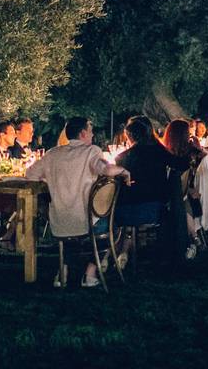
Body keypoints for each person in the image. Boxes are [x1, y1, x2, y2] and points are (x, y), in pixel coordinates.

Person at [26, 117, 131, 288]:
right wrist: (124, 171)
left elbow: (30, 174)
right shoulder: (91, 151)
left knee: (72, 233)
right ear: (83, 133)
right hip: (87, 221)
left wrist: (52, 180)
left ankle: (63, 272)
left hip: (59, 221)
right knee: (112, 224)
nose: (92, 134)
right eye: (90, 130)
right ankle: (90, 274)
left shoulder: (53, 154)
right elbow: (106, 169)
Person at [115, 116, 190, 263]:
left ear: (130, 136)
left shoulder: (122, 158)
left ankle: (120, 250)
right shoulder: (159, 151)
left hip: (123, 213)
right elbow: (181, 164)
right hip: (154, 209)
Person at [162, 119, 208, 258]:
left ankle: (193, 240)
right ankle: (194, 239)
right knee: (184, 201)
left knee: (182, 200)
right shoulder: (193, 152)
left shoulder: (168, 154)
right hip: (188, 192)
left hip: (173, 194)